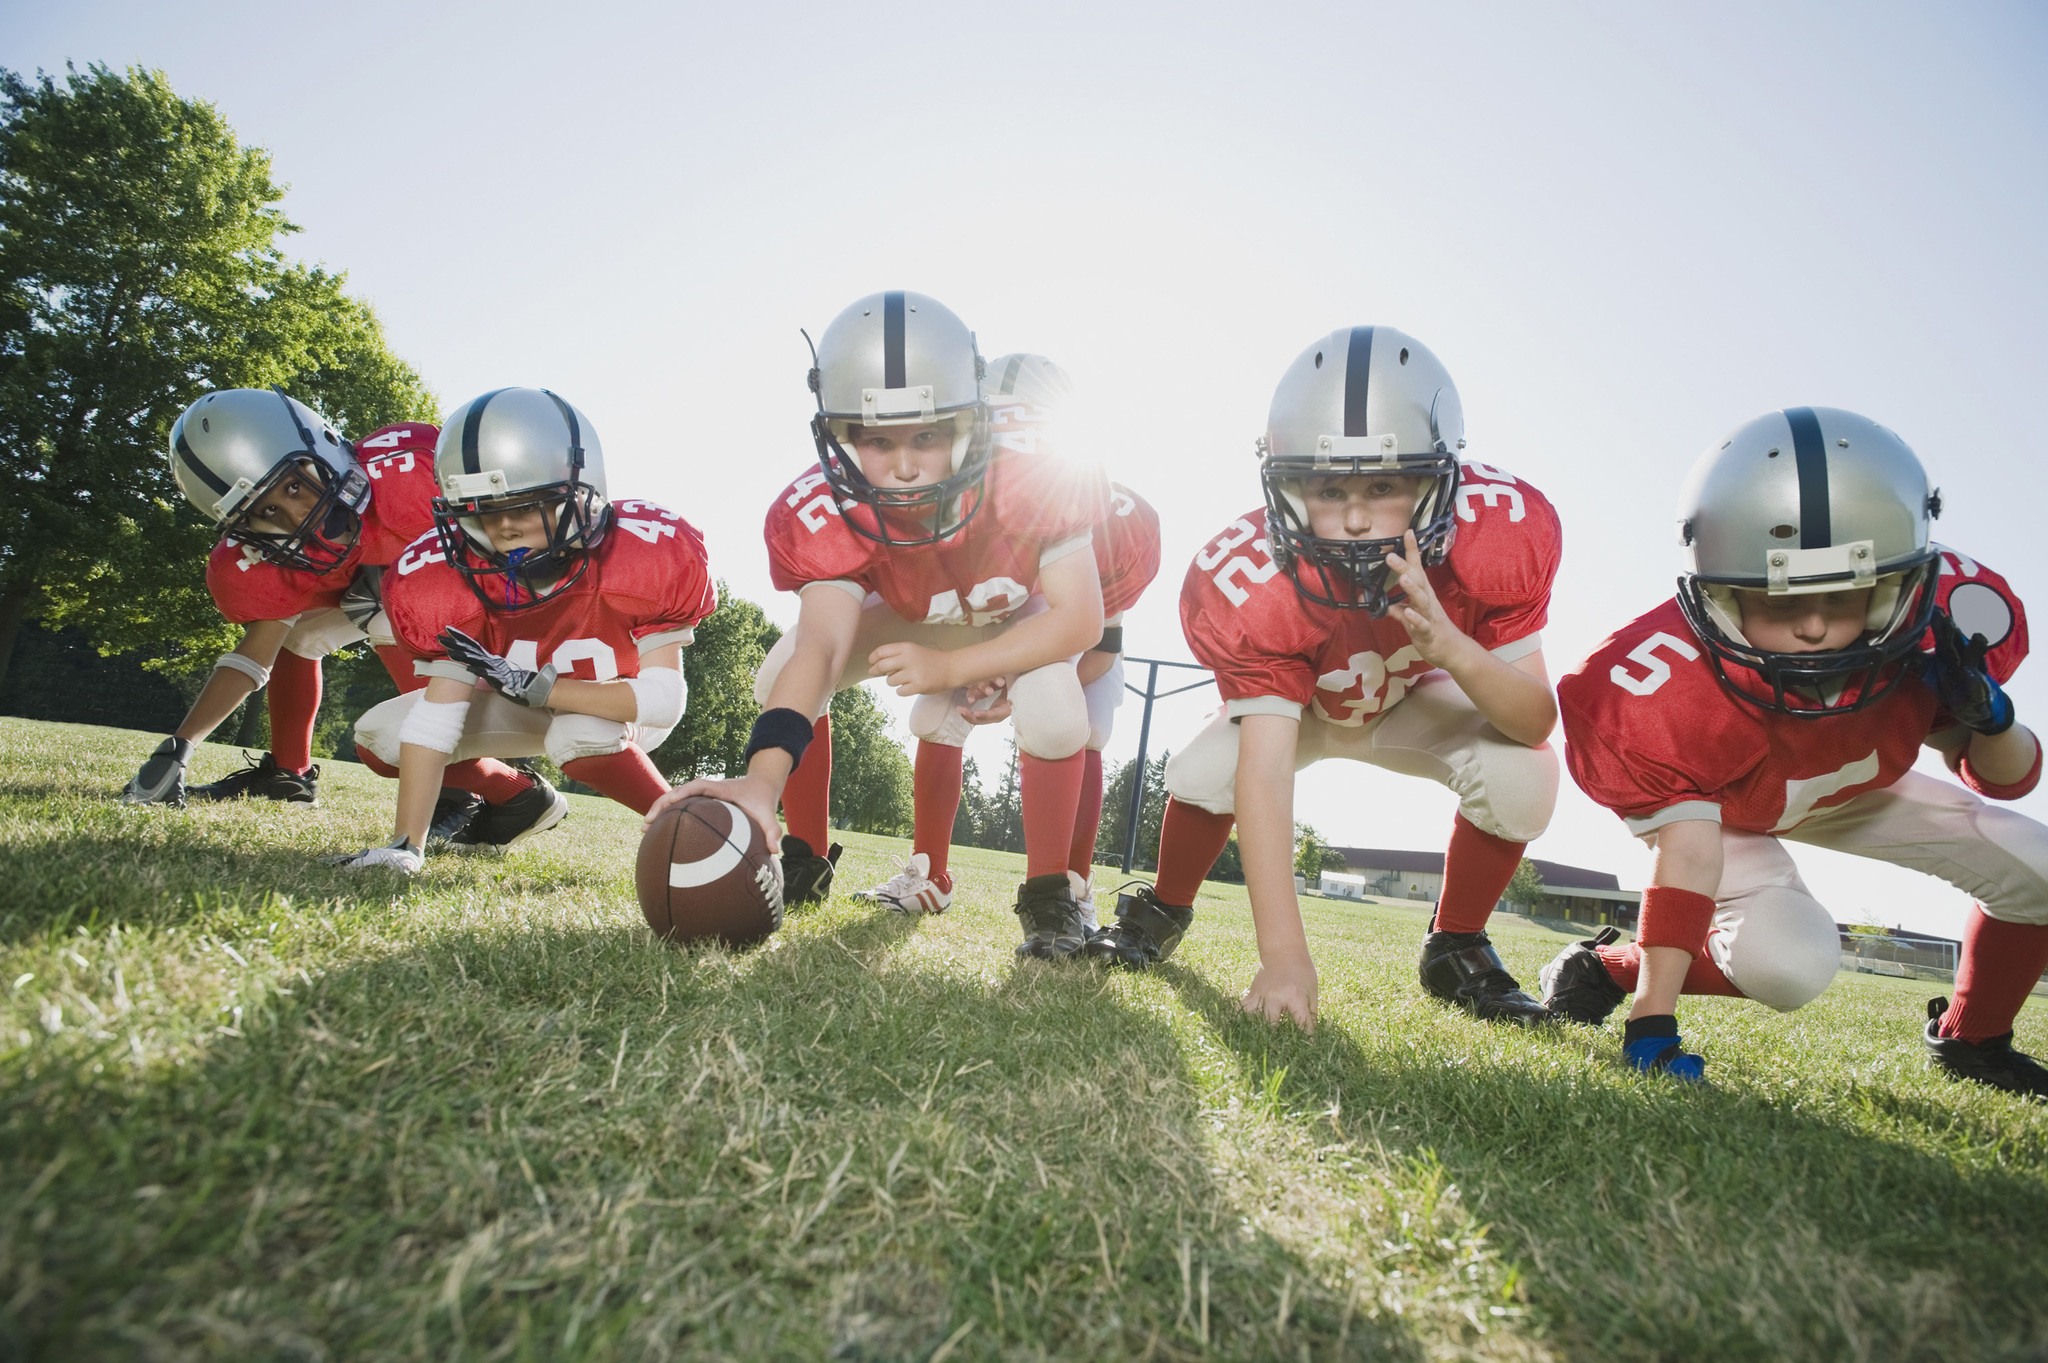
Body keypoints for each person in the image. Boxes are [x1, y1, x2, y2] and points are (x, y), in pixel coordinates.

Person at [1547, 406, 2045, 1093]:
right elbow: (1688, 849)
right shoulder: (1656, 683)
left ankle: (1974, 1038)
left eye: (1843, 594)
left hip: (1854, 786)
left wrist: (1991, 718)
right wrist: (1650, 1019)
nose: (1814, 625)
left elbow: (2006, 780)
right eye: (1781, 600)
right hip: (1728, 809)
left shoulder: (1947, 622)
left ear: (1891, 588)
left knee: (2040, 870)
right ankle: (1604, 969)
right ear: (1722, 595)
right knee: (1788, 963)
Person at [1087, 326, 1562, 1032]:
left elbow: (1533, 719)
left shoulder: (1494, 536)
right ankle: (1163, 905)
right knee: (1200, 773)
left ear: (1438, 479)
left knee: (1527, 775)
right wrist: (1284, 955)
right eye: (1330, 487)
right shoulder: (1254, 580)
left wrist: (1456, 649)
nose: (1359, 516)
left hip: (1411, 696)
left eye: (1385, 484)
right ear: (1286, 485)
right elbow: (1267, 770)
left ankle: (1456, 941)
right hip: (1304, 708)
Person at [650, 292, 1109, 959]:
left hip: (1019, 611)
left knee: (1057, 707)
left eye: (926, 433)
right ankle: (804, 849)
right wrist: (760, 780)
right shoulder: (825, 504)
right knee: (781, 672)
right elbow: (824, 644)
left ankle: (1050, 894)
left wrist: (956, 669)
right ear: (839, 433)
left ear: (970, 421)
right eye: (875, 437)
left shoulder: (1036, 471)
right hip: (917, 607)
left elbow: (1080, 617)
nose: (900, 464)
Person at [332, 387, 712, 872]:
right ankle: (519, 797)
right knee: (381, 738)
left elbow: (663, 701)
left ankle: (689, 826)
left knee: (579, 732)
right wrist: (406, 847)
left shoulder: (645, 552)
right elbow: (437, 717)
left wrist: (544, 690)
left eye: (525, 505)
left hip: (620, 712)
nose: (504, 528)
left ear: (580, 490)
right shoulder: (438, 577)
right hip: (521, 703)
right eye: (483, 511)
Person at [854, 353, 1161, 926]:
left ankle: (1068, 888)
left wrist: (1014, 677)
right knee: (934, 716)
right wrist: (976, 666)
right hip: (987, 622)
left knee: (1073, 717)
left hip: (1066, 641)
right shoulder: (950, 493)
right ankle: (929, 874)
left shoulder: (1101, 511)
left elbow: (1098, 648)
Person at [122, 387, 444, 810]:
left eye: (293, 487)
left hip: (463, 597)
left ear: (322, 450)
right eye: (267, 511)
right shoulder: (266, 561)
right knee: (299, 636)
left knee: (385, 606)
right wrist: (180, 747)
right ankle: (289, 776)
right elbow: (255, 655)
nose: (297, 518)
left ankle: (479, 787)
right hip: (372, 590)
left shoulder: (413, 476)